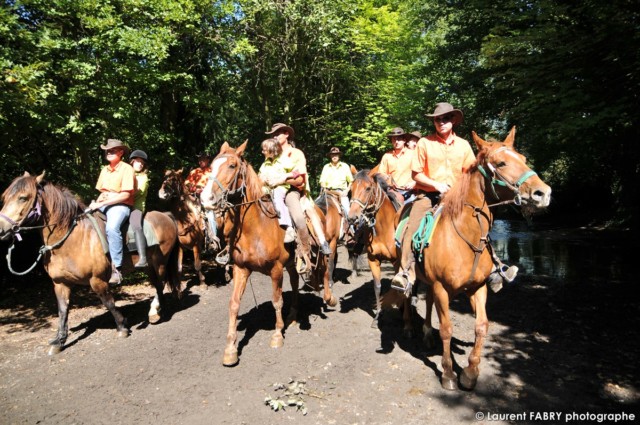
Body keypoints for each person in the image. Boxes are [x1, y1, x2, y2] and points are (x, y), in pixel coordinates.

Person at [391, 102, 517, 293]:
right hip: (429, 195)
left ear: (453, 121)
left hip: (457, 197)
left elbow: (469, 173)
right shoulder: (425, 143)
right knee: (412, 225)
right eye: (437, 119)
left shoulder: (463, 145)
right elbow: (416, 174)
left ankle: (494, 265)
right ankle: (406, 271)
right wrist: (436, 184)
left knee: (480, 222)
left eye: (445, 118)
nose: (441, 122)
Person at [265, 123, 332, 273]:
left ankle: (306, 251)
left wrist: (281, 180)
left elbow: (300, 178)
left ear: (286, 134)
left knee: (299, 218)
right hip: (271, 190)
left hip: (293, 191)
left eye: (277, 134)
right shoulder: (272, 153)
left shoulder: (296, 154)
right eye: (273, 135)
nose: (274, 136)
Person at [88, 139, 136, 285]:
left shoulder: (127, 169)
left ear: (121, 152)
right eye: (107, 151)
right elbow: (103, 192)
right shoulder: (105, 170)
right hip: (104, 203)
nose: (109, 153)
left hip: (120, 206)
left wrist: (105, 201)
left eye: (112, 150)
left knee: (112, 228)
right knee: (81, 219)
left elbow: (125, 195)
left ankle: (117, 268)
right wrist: (95, 203)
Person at [258, 138, 297, 243]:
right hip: (265, 189)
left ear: (272, 150)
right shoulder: (264, 164)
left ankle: (288, 227)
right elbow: (259, 178)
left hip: (279, 188)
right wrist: (262, 179)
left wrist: (284, 177)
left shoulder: (284, 160)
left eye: (264, 150)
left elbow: (297, 172)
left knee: (277, 197)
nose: (262, 152)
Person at [185, 152, 218, 250]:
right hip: (194, 197)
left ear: (208, 160)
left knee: (210, 214)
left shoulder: (212, 172)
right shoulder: (195, 171)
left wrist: (204, 189)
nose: (201, 161)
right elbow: (187, 183)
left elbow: (216, 185)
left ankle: (213, 238)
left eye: (203, 159)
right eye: (199, 159)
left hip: (208, 198)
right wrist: (193, 187)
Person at [378, 127, 416, 203]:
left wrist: (414, 183)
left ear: (404, 140)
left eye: (399, 139)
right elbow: (380, 173)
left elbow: (422, 171)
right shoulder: (387, 156)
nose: (396, 141)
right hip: (392, 192)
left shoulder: (413, 154)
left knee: (416, 211)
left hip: (410, 192)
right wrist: (388, 180)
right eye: (394, 139)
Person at [319, 146, 353, 218]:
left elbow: (351, 181)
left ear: (339, 156)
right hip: (328, 192)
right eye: (333, 155)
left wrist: (346, 191)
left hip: (341, 193)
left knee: (347, 210)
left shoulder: (345, 166)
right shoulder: (326, 167)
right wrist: (324, 188)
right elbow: (322, 181)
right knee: (316, 206)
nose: (334, 156)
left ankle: (352, 228)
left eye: (336, 154)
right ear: (330, 156)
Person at [129, 150, 149, 268]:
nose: (140, 164)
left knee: (136, 224)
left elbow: (137, 193)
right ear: (132, 162)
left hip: (136, 207)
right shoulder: (127, 173)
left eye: (142, 163)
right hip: (123, 204)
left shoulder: (143, 177)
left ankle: (143, 257)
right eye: (137, 161)